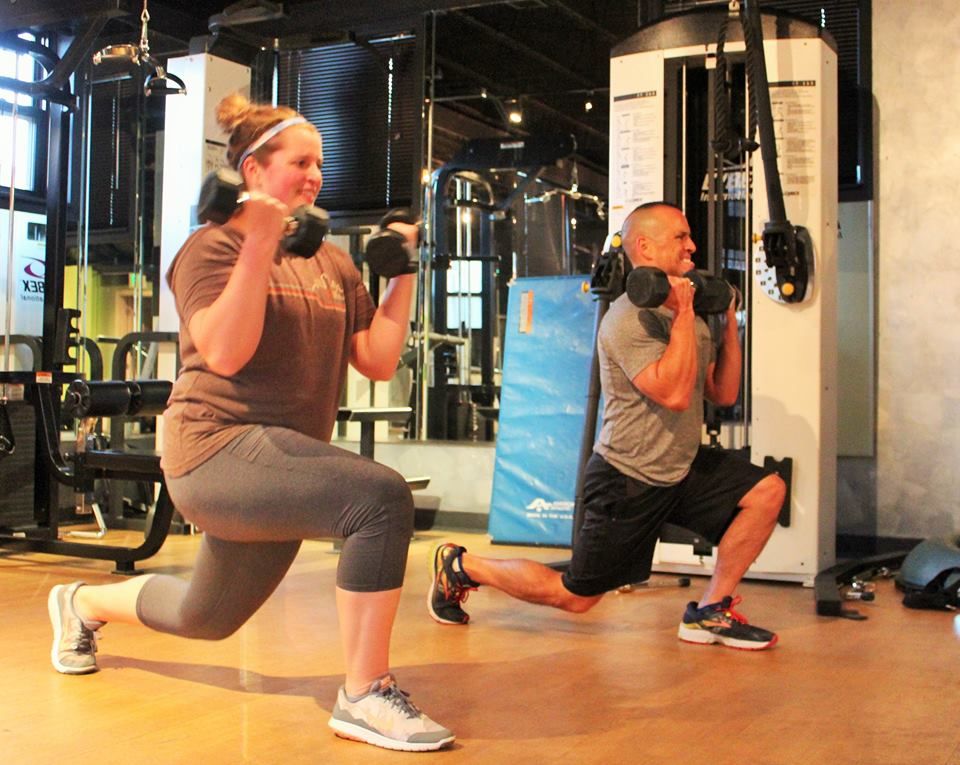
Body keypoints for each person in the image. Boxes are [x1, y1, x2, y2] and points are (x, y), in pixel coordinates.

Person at [47, 93, 454, 752]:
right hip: (214, 451)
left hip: (281, 459)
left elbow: (376, 360)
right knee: (379, 499)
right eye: (301, 161)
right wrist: (259, 244)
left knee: (204, 616)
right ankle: (365, 693)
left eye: (320, 163)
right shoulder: (210, 247)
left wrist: (402, 273)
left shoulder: (332, 262)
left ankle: (82, 603)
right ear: (254, 169)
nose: (315, 176)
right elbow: (226, 351)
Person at [429, 201, 786, 650]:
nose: (692, 246)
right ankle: (462, 567)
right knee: (577, 597)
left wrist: (728, 324)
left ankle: (711, 610)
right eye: (681, 237)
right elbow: (674, 395)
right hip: (628, 478)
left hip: (680, 465)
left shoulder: (688, 313)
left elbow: (723, 393)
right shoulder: (626, 319)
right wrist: (682, 316)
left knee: (767, 491)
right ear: (645, 246)